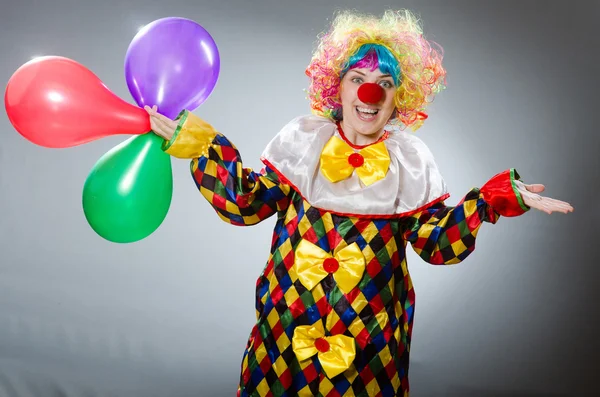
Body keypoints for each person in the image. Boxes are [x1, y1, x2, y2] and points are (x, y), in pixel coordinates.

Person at [145, 9, 573, 397]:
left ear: (398, 99)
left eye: (385, 84)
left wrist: (492, 201)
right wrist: (198, 144)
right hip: (284, 339)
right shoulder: (304, 143)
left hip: (370, 351)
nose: (371, 93)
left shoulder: (411, 162)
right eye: (358, 79)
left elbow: (437, 243)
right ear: (338, 86)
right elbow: (246, 202)